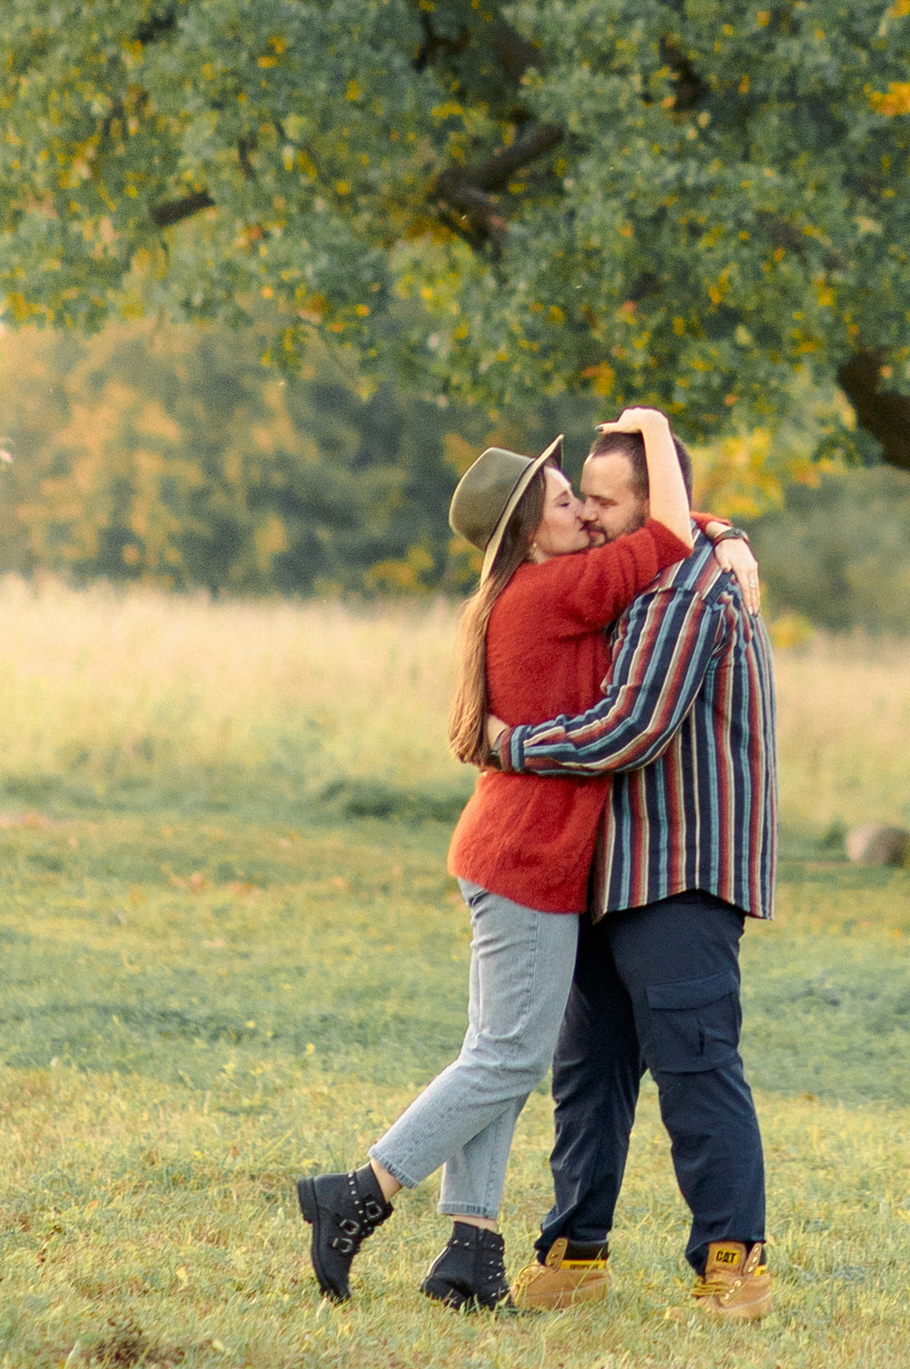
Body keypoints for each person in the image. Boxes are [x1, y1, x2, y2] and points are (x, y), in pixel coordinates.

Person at [292, 413, 709, 1308]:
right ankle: (359, 1194)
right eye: (570, 502)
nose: (586, 515)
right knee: (510, 1060)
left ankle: (471, 1254)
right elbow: (672, 536)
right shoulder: (552, 592)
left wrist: (733, 538)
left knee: (497, 1054)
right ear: (529, 526)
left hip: (513, 854)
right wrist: (655, 431)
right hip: (524, 862)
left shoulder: (532, 589)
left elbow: (687, 534)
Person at [486, 417, 781, 1322]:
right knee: (590, 1068)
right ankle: (574, 1256)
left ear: (656, 505)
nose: (590, 519)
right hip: (616, 868)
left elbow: (632, 726)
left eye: (605, 501)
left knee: (695, 1066)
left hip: (681, 868)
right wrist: (724, 528)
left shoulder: (689, 591)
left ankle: (732, 1269)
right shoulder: (652, 575)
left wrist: (513, 745)